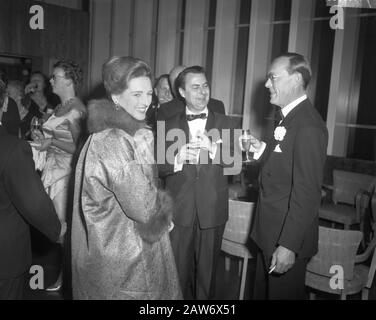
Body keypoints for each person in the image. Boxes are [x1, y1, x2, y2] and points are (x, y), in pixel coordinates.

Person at [71, 56, 182, 300]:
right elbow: (145, 209)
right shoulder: (115, 141)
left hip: (114, 255)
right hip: (127, 263)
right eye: (136, 95)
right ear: (115, 96)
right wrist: (164, 215)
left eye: (148, 93)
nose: (146, 102)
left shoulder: (110, 134)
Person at [243, 53, 328, 299]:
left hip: (285, 237)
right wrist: (261, 149)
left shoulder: (308, 125)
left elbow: (307, 193)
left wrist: (288, 245)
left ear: (296, 79)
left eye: (273, 77)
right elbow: (283, 165)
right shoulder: (287, 118)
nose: (267, 84)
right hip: (269, 232)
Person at [158, 66, 237, 299]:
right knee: (176, 275)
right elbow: (158, 167)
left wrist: (214, 149)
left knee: (207, 278)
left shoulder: (225, 121)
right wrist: (177, 159)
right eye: (195, 87)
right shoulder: (168, 122)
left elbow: (236, 164)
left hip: (212, 210)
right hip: (179, 210)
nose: (203, 92)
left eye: (205, 86)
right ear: (181, 91)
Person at [31, 59, 86, 291]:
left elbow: (81, 149)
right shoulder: (60, 106)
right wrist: (44, 138)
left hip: (65, 175)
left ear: (68, 81)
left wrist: (50, 141)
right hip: (52, 170)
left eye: (55, 77)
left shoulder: (76, 110)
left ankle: (71, 281)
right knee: (58, 228)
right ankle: (69, 278)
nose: (51, 80)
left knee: (64, 230)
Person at [0, 121, 63, 299]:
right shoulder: (12, 148)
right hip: (5, 258)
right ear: (4, 103)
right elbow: (34, 205)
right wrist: (57, 229)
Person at [157, 65, 226, 120]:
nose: (202, 91)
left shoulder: (218, 106)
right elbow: (161, 137)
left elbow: (226, 136)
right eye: (196, 87)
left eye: (205, 85)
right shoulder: (165, 111)